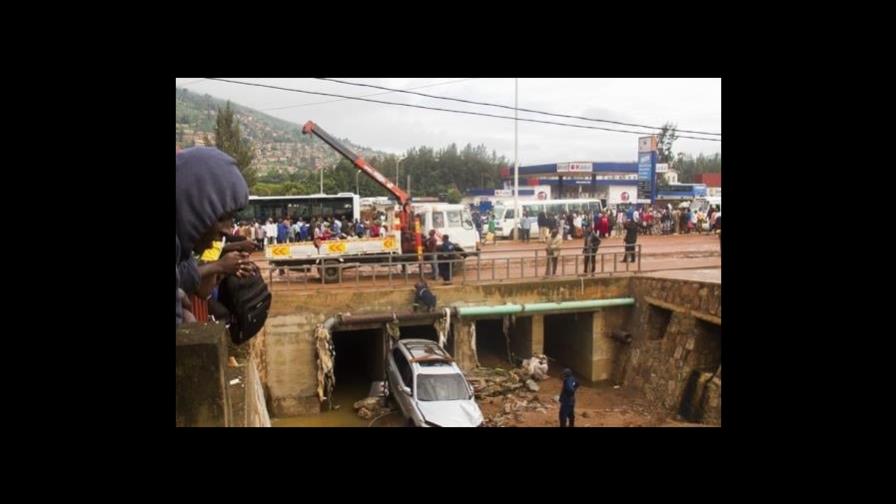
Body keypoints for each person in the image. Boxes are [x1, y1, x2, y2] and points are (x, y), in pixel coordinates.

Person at [176, 147, 249, 326]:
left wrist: (221, 268)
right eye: (220, 217)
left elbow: (185, 274)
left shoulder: (181, 251)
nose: (227, 231)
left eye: (232, 219)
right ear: (192, 209)